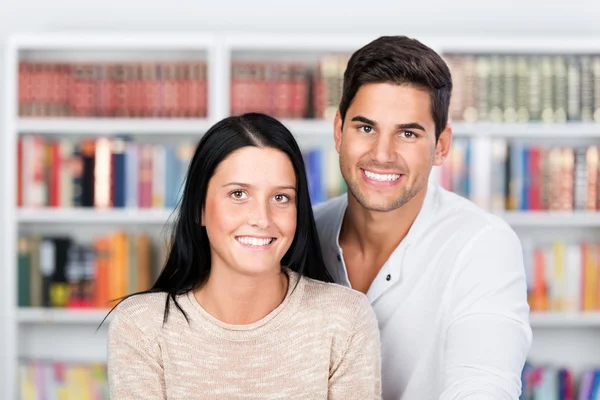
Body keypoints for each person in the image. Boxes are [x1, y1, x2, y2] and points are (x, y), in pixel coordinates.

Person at [313, 36, 533, 400]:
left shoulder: (482, 245)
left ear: (441, 146)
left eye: (408, 133)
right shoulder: (300, 232)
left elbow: (484, 384)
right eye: (366, 128)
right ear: (339, 131)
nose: (382, 154)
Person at [106, 113, 382, 399]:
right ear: (199, 208)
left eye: (281, 198)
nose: (262, 219)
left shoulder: (345, 319)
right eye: (238, 194)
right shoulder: (142, 327)